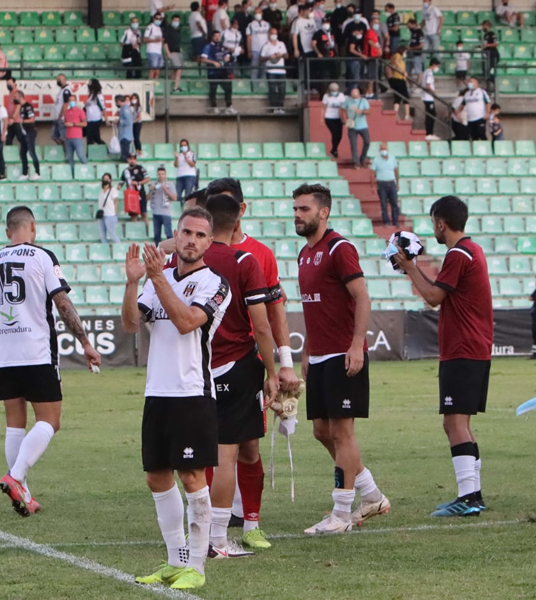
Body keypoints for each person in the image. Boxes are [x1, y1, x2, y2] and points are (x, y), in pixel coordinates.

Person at [122, 210, 232, 591]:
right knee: (156, 476)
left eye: (200, 234)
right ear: (176, 234)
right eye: (186, 232)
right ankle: (175, 560)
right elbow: (131, 324)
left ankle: (197, 567)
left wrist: (154, 277)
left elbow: (187, 322)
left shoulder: (215, 283)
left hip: (191, 392)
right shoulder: (160, 278)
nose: (191, 240)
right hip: (158, 391)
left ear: (209, 242)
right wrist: (133, 283)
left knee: (191, 476)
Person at [0, 207, 101, 517]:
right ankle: (15, 477)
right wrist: (85, 342)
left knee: (14, 425)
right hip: (37, 352)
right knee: (51, 420)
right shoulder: (42, 256)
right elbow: (63, 303)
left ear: (8, 231)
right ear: (32, 227)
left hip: (5, 354)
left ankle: (23, 494)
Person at [291, 183, 390, 535]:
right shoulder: (304, 255)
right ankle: (372, 494)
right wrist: (306, 349)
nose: (298, 215)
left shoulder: (339, 248)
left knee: (342, 432)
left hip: (342, 354)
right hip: (318, 355)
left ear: (324, 212)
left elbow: (362, 298)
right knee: (321, 431)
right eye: (296, 209)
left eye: (304, 209)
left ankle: (341, 513)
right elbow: (313, 307)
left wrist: (356, 343)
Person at [189, 194, 277, 556]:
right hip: (237, 366)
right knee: (229, 454)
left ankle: (230, 528)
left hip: (197, 368)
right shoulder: (245, 260)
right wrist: (273, 370)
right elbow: (262, 325)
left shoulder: (188, 258)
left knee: (212, 454)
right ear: (237, 222)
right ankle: (219, 538)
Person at [393, 195, 493, 517]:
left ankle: (468, 497)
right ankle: (473, 494)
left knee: (454, 422)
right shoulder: (471, 250)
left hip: (463, 348)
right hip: (473, 347)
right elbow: (441, 291)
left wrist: (410, 268)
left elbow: (433, 297)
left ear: (440, 223)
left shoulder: (458, 253)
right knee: (460, 422)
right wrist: (414, 268)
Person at [201, 31, 235, 114]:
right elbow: (202, 59)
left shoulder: (223, 47)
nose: (217, 37)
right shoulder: (208, 47)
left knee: (228, 88)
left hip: (223, 71)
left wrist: (228, 57)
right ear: (212, 37)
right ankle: (214, 107)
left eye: (219, 36)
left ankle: (229, 106)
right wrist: (213, 62)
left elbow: (227, 57)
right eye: (215, 36)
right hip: (213, 72)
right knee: (213, 89)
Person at [371, 143, 399, 226]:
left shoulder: (392, 158)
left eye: (384, 149)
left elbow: (396, 170)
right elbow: (372, 173)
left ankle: (395, 221)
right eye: (382, 149)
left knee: (394, 203)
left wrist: (397, 182)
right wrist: (373, 186)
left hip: (391, 182)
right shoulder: (376, 160)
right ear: (380, 150)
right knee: (383, 204)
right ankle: (386, 222)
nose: (383, 151)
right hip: (382, 183)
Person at [343, 88, 370, 169]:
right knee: (353, 144)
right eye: (352, 95)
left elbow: (369, 111)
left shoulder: (364, 101)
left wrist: (361, 111)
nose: (353, 97)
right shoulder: (347, 100)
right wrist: (344, 119)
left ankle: (363, 158)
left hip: (363, 125)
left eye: (355, 96)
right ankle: (356, 162)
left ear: (358, 94)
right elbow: (342, 109)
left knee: (367, 142)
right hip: (352, 126)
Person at [150, 168, 177, 245]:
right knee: (157, 234)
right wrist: (151, 190)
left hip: (166, 213)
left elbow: (174, 198)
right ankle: (157, 252)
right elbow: (147, 197)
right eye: (159, 174)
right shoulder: (155, 184)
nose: (161, 176)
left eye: (162, 174)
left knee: (168, 233)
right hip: (156, 212)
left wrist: (166, 190)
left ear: (165, 175)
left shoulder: (170, 184)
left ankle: (171, 252)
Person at [17, 90, 40, 181]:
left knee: (31, 152)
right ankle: (25, 173)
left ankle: (37, 172)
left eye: (16, 97)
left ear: (20, 96)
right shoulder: (21, 107)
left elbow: (32, 119)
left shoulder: (28, 107)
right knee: (22, 153)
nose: (15, 99)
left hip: (30, 133)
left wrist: (23, 121)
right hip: (24, 133)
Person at [62, 95, 88, 177]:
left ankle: (87, 170)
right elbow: (65, 122)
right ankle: (73, 174)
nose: (71, 102)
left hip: (77, 137)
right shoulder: (66, 112)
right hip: (68, 137)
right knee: (69, 158)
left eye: (73, 100)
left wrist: (73, 124)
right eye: (70, 100)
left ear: (76, 101)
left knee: (81, 155)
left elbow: (85, 123)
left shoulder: (80, 111)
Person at [120, 154, 150, 223]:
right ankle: (136, 230)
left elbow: (148, 179)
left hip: (141, 194)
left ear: (136, 160)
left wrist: (138, 183)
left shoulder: (140, 168)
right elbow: (121, 182)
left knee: (144, 213)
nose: (132, 161)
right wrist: (118, 187)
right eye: (130, 159)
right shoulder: (125, 171)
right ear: (128, 160)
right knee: (133, 215)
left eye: (133, 159)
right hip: (131, 196)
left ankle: (147, 231)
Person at [321, 83, 346, 158]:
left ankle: (334, 150)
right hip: (329, 117)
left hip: (338, 118)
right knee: (334, 133)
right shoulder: (326, 96)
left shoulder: (341, 95)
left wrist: (344, 118)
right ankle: (334, 150)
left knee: (339, 135)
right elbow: (323, 108)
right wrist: (322, 118)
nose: (334, 92)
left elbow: (343, 107)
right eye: (332, 90)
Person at [463, 77, 491, 141]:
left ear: (476, 83)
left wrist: (487, 113)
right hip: (470, 119)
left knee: (481, 134)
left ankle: (486, 148)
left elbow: (488, 103)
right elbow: (463, 104)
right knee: (473, 136)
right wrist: (458, 111)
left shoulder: (482, 92)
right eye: (469, 82)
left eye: (471, 82)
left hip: (480, 117)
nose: (470, 83)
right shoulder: (467, 94)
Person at [386, 45, 409, 120]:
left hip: (398, 78)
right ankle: (407, 115)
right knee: (405, 96)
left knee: (398, 97)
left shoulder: (395, 57)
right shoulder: (397, 55)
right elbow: (396, 62)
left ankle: (395, 113)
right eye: (405, 51)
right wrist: (403, 71)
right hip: (398, 78)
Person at [164, 14, 185, 91]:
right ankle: (176, 87)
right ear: (172, 20)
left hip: (178, 51)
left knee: (176, 69)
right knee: (178, 68)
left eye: (177, 20)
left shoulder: (178, 29)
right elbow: (165, 42)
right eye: (175, 20)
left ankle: (170, 86)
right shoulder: (168, 29)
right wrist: (168, 52)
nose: (176, 22)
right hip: (172, 51)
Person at [97, 174, 120, 243]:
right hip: (102, 215)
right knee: (102, 236)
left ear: (110, 180)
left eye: (107, 178)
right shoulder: (101, 191)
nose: (105, 180)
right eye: (104, 178)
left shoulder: (113, 190)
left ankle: (120, 247)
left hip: (110, 215)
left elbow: (116, 202)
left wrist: (115, 214)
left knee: (112, 234)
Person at [174, 140, 198, 204]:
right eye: (182, 145)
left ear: (188, 146)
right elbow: (176, 165)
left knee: (188, 195)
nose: (183, 147)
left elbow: (193, 164)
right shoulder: (179, 155)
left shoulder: (193, 153)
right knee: (177, 195)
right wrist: (176, 158)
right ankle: (179, 209)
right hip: (180, 176)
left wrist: (186, 158)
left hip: (190, 175)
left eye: (185, 145)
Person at [422, 58, 440, 141]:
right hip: (429, 97)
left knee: (431, 114)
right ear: (434, 65)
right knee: (430, 115)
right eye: (437, 66)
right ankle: (429, 133)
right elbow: (428, 85)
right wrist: (434, 93)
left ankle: (429, 132)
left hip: (425, 97)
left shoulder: (425, 71)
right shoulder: (429, 73)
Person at [83, 79, 105, 146]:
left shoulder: (98, 95)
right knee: (94, 138)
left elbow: (103, 108)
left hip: (95, 119)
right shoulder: (91, 95)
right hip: (90, 119)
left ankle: (90, 154)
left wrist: (106, 120)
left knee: (92, 138)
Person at [144, 12, 166, 80]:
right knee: (153, 69)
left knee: (158, 70)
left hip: (159, 51)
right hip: (152, 51)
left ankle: (155, 83)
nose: (158, 20)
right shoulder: (150, 27)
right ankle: (149, 84)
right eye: (157, 18)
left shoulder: (159, 28)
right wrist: (155, 40)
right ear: (153, 18)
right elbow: (145, 39)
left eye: (160, 19)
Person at [116, 95, 135, 161]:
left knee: (125, 156)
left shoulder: (125, 108)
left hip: (125, 136)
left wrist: (120, 121)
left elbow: (128, 121)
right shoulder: (124, 108)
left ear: (118, 101)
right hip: (124, 136)